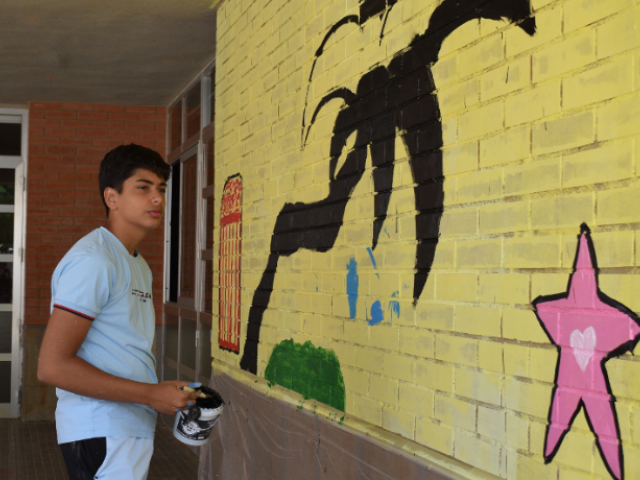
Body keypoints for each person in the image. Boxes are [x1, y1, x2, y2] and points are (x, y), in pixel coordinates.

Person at [38, 144, 198, 480]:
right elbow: (52, 366)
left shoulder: (135, 263)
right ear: (112, 198)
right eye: (143, 188)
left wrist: (158, 391)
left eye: (161, 189)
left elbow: (120, 348)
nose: (157, 198)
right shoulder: (94, 260)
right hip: (100, 428)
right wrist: (151, 394)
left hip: (126, 426)